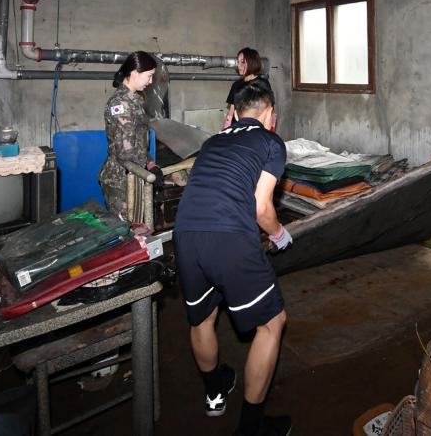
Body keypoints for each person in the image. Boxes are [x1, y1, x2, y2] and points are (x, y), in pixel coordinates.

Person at [173, 78, 292, 436]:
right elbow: (260, 207)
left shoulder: (211, 142)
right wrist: (278, 234)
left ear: (232, 113)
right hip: (228, 237)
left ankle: (215, 392)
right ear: (270, 114)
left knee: (203, 318)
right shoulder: (271, 141)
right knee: (272, 322)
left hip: (185, 235)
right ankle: (252, 428)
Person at [99, 51, 156, 217]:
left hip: (134, 174)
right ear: (135, 73)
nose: (151, 81)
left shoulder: (135, 100)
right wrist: (145, 172)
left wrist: (150, 164)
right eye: (149, 76)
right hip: (120, 180)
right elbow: (126, 152)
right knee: (126, 233)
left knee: (138, 230)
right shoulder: (121, 103)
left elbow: (138, 142)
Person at [223, 47, 272, 129]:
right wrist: (225, 129)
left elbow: (269, 110)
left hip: (256, 129)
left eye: (242, 62)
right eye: (238, 62)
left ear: (251, 62)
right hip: (237, 129)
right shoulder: (236, 84)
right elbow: (231, 111)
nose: (239, 65)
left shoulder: (263, 84)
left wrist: (267, 132)